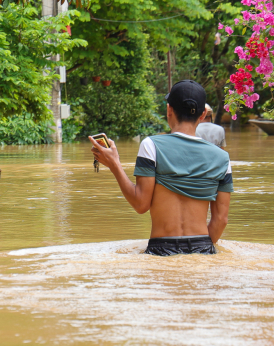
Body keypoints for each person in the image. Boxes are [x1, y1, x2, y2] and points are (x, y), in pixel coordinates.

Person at [89, 80, 233, 256]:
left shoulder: (151, 145)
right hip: (203, 248)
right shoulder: (222, 158)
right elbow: (221, 220)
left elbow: (141, 204)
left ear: (169, 110)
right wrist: (199, 249)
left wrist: (114, 165)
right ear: (203, 114)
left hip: (161, 248)